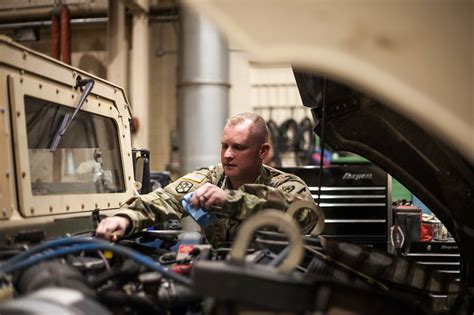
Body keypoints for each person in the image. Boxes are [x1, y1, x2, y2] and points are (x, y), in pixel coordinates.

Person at [96, 113, 319, 247]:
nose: (228, 154)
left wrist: (232, 200)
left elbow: (305, 215)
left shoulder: (284, 184)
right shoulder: (211, 178)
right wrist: (125, 218)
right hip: (218, 277)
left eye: (239, 147)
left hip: (269, 281)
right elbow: (166, 199)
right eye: (225, 146)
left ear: (263, 151)